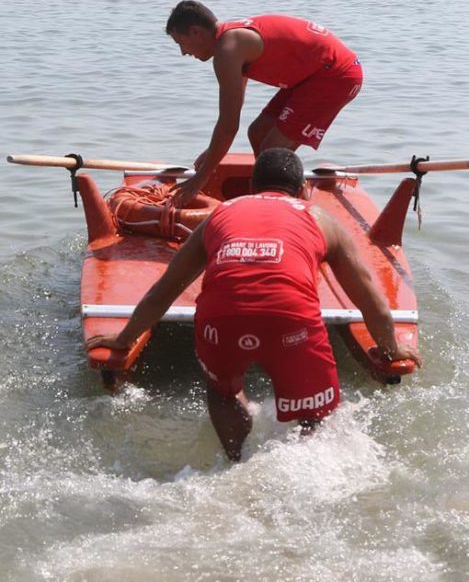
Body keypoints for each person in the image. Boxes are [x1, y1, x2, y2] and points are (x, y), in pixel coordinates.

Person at [87, 148, 421, 462]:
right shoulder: (321, 218)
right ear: (303, 189)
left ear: (251, 186)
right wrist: (390, 349)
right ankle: (308, 466)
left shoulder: (219, 216)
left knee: (224, 392)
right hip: (291, 318)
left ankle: (235, 462)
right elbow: (368, 297)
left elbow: (163, 291)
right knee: (314, 415)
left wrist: (124, 338)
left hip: (221, 317)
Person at [165, 0, 363, 206]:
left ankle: (300, 213)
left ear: (196, 32)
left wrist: (199, 179)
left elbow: (228, 125)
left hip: (336, 75)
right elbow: (234, 109)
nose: (183, 52)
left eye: (181, 43)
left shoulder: (228, 50)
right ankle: (278, 201)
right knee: (258, 133)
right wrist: (213, 152)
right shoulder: (231, 41)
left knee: (273, 147)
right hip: (310, 76)